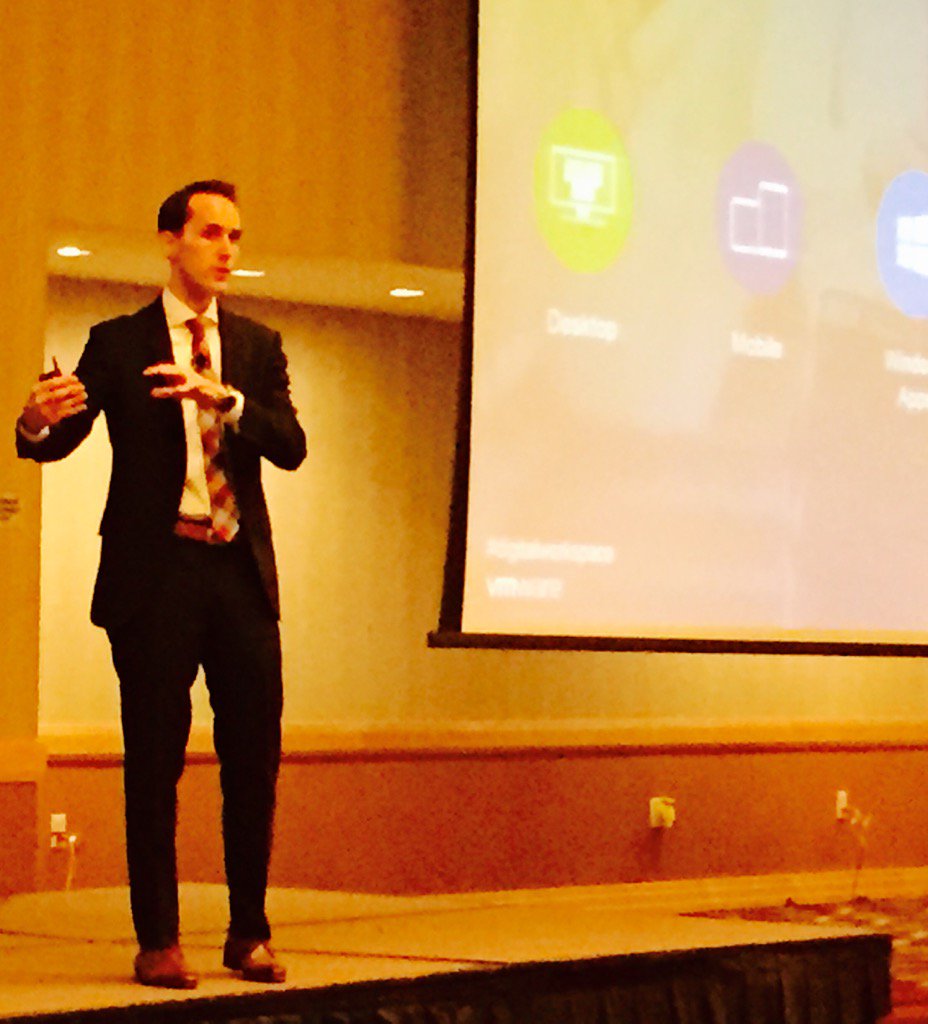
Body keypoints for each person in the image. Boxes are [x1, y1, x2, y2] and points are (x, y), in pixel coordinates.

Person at [16, 180, 306, 989]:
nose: (226, 249)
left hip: (239, 574)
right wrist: (35, 420)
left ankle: (249, 933)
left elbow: (290, 445)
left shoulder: (257, 346)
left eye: (235, 236)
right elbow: (55, 438)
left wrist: (229, 401)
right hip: (157, 576)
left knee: (254, 758)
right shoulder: (119, 342)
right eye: (210, 233)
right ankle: (159, 941)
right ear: (170, 240)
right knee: (154, 761)